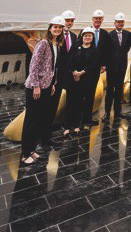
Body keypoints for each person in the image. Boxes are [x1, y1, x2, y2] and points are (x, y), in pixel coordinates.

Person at [21, 16, 64, 164]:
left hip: (46, 87)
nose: (57, 29)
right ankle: (25, 154)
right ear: (50, 28)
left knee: (38, 119)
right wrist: (36, 85)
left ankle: (32, 150)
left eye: (60, 27)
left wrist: (53, 83)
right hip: (35, 87)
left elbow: (52, 67)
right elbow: (34, 65)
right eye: (55, 26)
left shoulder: (55, 44)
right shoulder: (43, 43)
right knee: (31, 120)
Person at [44, 9, 77, 143]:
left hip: (69, 76)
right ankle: (45, 133)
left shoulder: (74, 37)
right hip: (56, 77)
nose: (69, 23)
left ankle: (66, 126)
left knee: (68, 102)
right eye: (67, 20)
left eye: (71, 20)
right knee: (50, 105)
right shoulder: (54, 37)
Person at [65, 27, 99, 135]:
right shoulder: (75, 46)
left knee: (79, 102)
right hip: (72, 78)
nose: (87, 37)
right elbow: (69, 61)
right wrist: (74, 72)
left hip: (84, 79)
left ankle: (76, 125)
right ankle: (67, 126)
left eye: (90, 36)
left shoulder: (94, 50)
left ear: (92, 37)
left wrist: (81, 73)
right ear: (82, 36)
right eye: (85, 35)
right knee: (70, 102)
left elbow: (93, 65)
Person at [83, 9, 111, 126]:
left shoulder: (105, 34)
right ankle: (80, 117)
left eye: (100, 19)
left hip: (96, 70)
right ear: (92, 20)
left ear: (102, 20)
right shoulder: (85, 31)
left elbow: (106, 51)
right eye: (96, 19)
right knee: (83, 93)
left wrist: (104, 64)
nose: (98, 21)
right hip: (84, 69)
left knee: (91, 93)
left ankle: (87, 118)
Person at [103, 12, 131, 122]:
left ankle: (118, 112)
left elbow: (127, 48)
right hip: (111, 67)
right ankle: (107, 112)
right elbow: (106, 51)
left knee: (119, 89)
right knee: (110, 90)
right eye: (118, 22)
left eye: (122, 22)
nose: (120, 24)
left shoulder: (128, 35)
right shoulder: (109, 35)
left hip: (122, 66)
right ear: (115, 23)